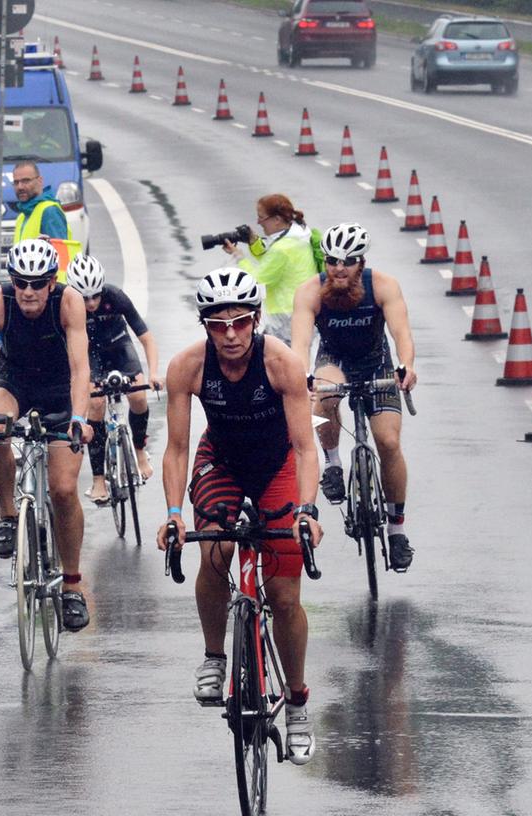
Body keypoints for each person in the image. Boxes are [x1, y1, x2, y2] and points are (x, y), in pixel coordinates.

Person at [156, 268, 324, 766]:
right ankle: (214, 656)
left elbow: (304, 447)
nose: (230, 334)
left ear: (254, 321)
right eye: (217, 323)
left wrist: (308, 510)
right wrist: (172, 514)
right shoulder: (186, 366)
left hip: (277, 466)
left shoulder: (281, 364)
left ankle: (296, 704)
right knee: (215, 548)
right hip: (222, 461)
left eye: (240, 322)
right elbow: (178, 448)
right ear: (205, 325)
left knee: (284, 594)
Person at [0, 238, 95, 631]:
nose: (28, 291)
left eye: (37, 283)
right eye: (20, 282)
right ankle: (8, 514)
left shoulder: (68, 302)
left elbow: (80, 369)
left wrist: (78, 417)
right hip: (15, 379)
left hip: (59, 387)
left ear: (51, 283)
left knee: (63, 489)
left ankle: (72, 586)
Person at [289, 222, 418, 571]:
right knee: (323, 396)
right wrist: (302, 374)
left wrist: (406, 365)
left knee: (388, 443)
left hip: (376, 364)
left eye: (348, 261)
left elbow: (400, 331)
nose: (339, 268)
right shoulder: (310, 291)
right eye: (332, 260)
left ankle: (396, 530)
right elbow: (300, 342)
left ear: (361, 262)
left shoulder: (383, 285)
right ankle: (332, 464)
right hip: (334, 361)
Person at [64, 254, 162, 503]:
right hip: (90, 354)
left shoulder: (115, 296)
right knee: (96, 405)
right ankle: (99, 480)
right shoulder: (66, 304)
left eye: (95, 296)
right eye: (84, 298)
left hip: (119, 348)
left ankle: (140, 452)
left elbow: (146, 337)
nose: (91, 303)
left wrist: (153, 373)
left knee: (138, 396)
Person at [221, 193, 318, 343]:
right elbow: (271, 262)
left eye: (262, 217)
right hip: (302, 311)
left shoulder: (282, 248)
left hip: (285, 316)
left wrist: (238, 257)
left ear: (277, 220)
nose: (258, 222)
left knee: (275, 360)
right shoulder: (298, 236)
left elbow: (257, 279)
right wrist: (254, 242)